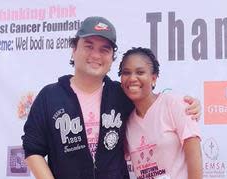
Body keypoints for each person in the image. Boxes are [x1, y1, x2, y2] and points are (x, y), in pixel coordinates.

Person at [21, 16, 201, 179]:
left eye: (104, 49)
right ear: (74, 49)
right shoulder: (49, 96)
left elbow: (152, 103)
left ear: (112, 57)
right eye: (89, 46)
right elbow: (33, 149)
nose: (96, 55)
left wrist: (191, 105)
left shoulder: (121, 95)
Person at [118, 47, 202, 179]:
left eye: (140, 72)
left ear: (153, 78)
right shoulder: (126, 121)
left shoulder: (174, 104)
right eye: (126, 73)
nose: (132, 78)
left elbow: (196, 168)